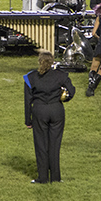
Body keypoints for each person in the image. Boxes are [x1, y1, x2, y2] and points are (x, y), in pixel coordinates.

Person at [24, 51, 75, 183]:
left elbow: (28, 101)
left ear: (39, 62)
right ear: (52, 62)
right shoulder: (60, 75)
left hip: (39, 111)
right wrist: (65, 98)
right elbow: (72, 91)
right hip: (56, 110)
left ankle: (43, 177)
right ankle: (56, 178)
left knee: (41, 145)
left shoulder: (30, 77)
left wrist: (28, 121)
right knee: (55, 145)